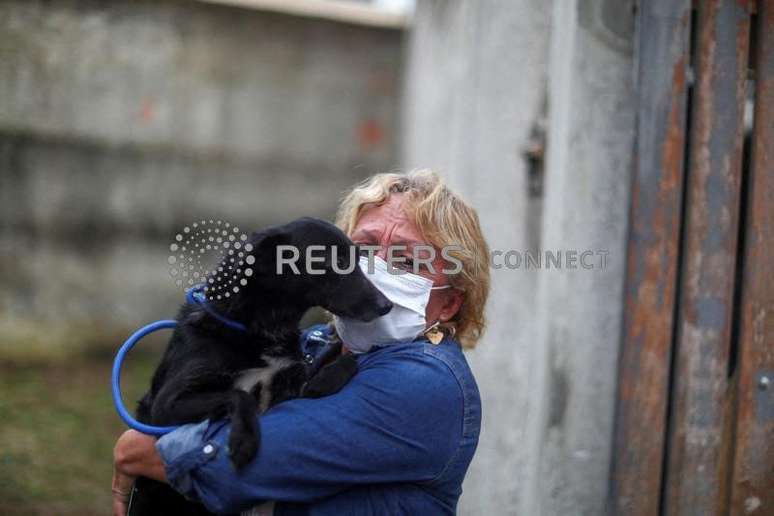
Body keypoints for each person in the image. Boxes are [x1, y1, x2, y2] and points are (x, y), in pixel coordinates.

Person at [112, 169, 491, 515]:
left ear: (449, 303)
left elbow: (234, 466)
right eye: (363, 250)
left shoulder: (424, 385)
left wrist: (143, 447)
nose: (375, 272)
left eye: (406, 261)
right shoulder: (312, 345)